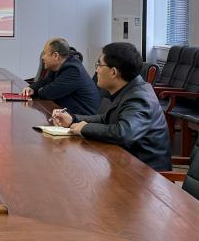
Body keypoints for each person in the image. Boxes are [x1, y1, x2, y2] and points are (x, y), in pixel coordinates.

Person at [51, 41, 172, 171]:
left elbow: (123, 133)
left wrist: (84, 128)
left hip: (146, 174)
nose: (96, 70)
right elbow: (106, 118)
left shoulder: (139, 98)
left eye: (99, 65)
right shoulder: (128, 90)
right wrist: (73, 119)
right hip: (126, 163)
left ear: (113, 72)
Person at [20, 37, 101, 116]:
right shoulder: (58, 65)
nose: (42, 57)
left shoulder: (73, 70)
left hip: (83, 119)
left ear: (56, 56)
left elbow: (49, 93)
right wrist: (31, 88)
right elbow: (44, 81)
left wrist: (37, 91)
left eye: (45, 53)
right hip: (68, 114)